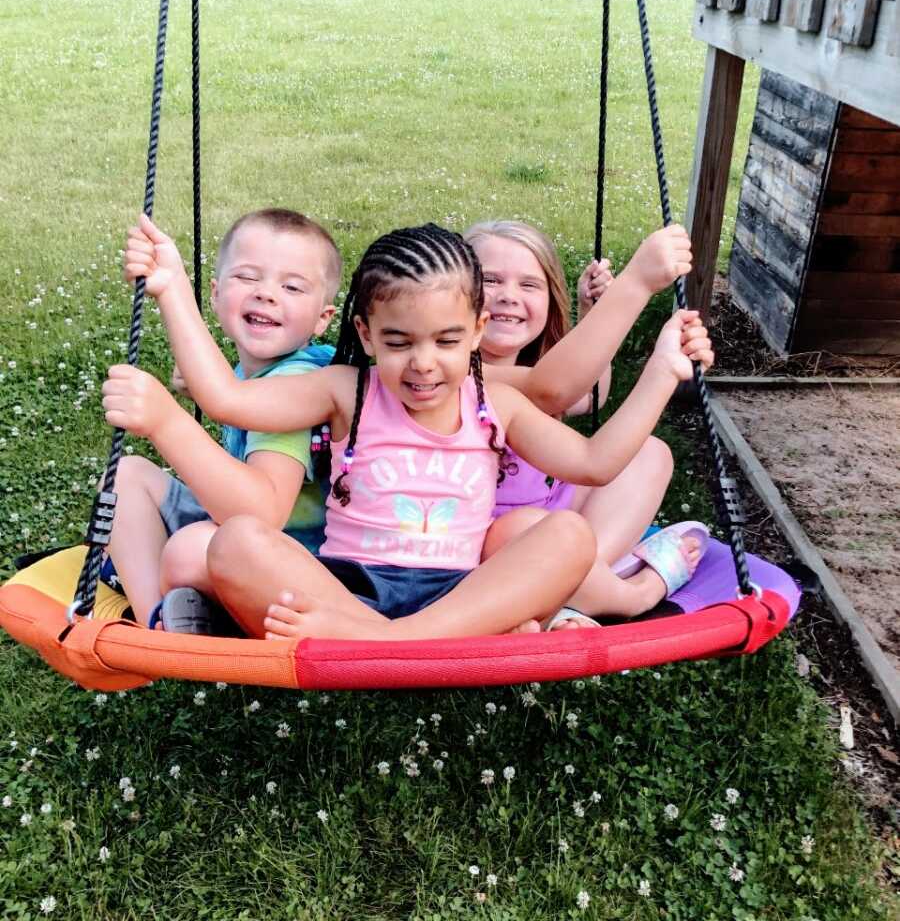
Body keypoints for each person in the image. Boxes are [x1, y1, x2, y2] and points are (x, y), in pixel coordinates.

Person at [103, 217, 714, 642]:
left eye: (447, 341)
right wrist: (172, 288)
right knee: (235, 541)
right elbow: (226, 398)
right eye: (398, 342)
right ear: (366, 335)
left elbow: (595, 462)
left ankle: (387, 640)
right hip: (343, 589)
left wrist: (662, 370)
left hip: (461, 593)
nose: (424, 363)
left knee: (568, 538)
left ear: (477, 331)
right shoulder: (346, 389)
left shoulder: (494, 400)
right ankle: (394, 635)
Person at [104, 208, 341, 631]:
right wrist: (193, 382)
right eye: (247, 277)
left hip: (290, 566)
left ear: (323, 318)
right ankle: (157, 622)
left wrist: (166, 421)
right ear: (214, 294)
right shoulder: (254, 374)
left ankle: (171, 615)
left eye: (291, 286)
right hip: (235, 535)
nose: (266, 294)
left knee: (189, 549)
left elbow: (260, 511)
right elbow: (224, 391)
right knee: (127, 475)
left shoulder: (298, 383)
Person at [466, 219, 710, 618]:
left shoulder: (541, 369)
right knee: (526, 527)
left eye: (529, 285)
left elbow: (587, 394)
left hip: (551, 517)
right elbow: (554, 389)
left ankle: (577, 583)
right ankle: (633, 591)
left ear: (549, 300)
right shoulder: (448, 373)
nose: (509, 296)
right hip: (484, 537)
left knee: (650, 454)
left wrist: (591, 314)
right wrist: (635, 284)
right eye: (490, 280)